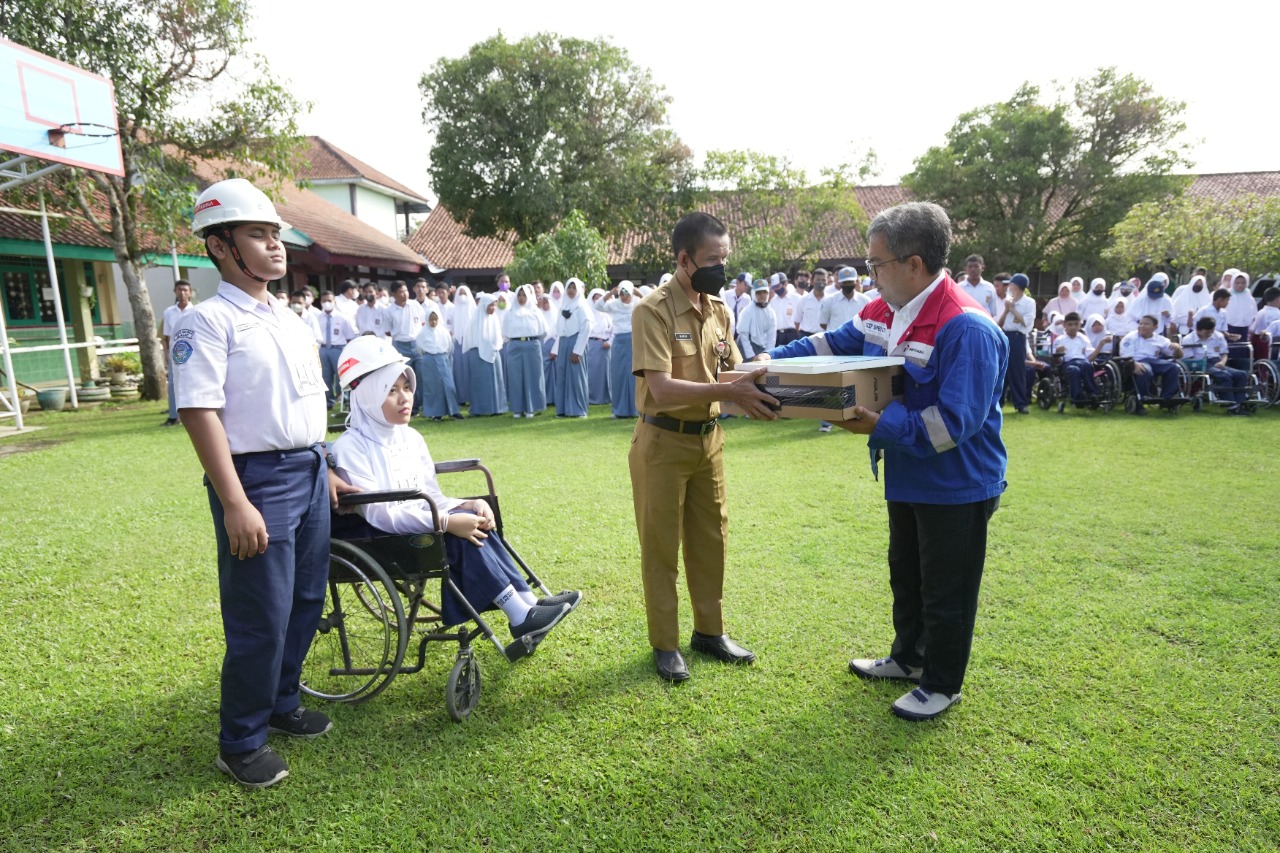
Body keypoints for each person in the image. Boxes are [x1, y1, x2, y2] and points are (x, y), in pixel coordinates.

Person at [761, 201, 1007, 721]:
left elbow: (953, 425)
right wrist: (765, 362)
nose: (870, 276)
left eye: (876, 264)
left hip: (956, 482)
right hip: (907, 473)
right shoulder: (884, 310)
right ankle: (909, 658)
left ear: (914, 264)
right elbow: (831, 345)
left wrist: (878, 425)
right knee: (907, 574)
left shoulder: (966, 327)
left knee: (947, 588)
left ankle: (941, 683)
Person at [173, 178, 357, 788]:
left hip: (308, 469)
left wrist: (324, 464)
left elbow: (302, 399)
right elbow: (200, 411)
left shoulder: (288, 317)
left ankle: (282, 702)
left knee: (305, 599)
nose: (275, 245)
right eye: (258, 234)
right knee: (261, 612)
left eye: (275, 234)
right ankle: (242, 741)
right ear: (220, 246)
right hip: (257, 481)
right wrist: (234, 501)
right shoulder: (207, 321)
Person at [329, 342, 579, 644]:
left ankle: (528, 603)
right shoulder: (350, 448)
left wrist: (466, 504)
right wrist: (446, 521)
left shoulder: (410, 438)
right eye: (391, 390)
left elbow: (430, 495)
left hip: (415, 523)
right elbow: (380, 513)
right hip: (380, 537)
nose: (404, 398)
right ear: (369, 396)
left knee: (474, 517)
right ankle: (519, 615)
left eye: (407, 387)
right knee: (458, 534)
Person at [629, 211, 779, 683]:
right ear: (684, 260)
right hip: (662, 442)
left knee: (711, 540)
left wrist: (766, 371)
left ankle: (709, 632)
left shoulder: (720, 310)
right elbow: (661, 389)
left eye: (725, 258)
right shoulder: (652, 310)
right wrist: (730, 390)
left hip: (708, 442)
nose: (722, 268)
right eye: (713, 260)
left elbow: (734, 370)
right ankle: (666, 644)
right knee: (661, 547)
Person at [1181, 316, 1249, 415]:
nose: (1210, 334)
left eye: (1211, 331)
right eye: (1207, 332)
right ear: (1198, 330)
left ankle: (1240, 402)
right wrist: (1203, 364)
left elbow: (1224, 353)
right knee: (1223, 375)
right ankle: (1230, 403)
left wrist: (1222, 362)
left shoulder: (1218, 336)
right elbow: (1189, 359)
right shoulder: (1188, 339)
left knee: (1241, 374)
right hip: (1200, 363)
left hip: (1217, 361)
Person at [1120, 315, 1184, 414]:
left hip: (1154, 361)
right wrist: (1134, 363)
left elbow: (1177, 356)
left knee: (1173, 367)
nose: (1142, 326)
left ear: (1155, 327)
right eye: (1140, 323)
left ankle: (1167, 398)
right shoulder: (1130, 337)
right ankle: (1141, 400)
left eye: (1146, 324)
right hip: (1136, 361)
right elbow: (1125, 356)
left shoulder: (1159, 339)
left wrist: (1177, 348)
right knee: (1145, 369)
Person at [501, 284, 548, 418]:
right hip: (514, 345)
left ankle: (531, 408)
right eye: (519, 295)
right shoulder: (510, 313)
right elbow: (505, 332)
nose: (521, 298)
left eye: (524, 295)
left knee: (533, 376)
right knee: (515, 377)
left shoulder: (535, 312)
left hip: (532, 345)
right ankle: (517, 409)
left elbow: (544, 331)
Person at [550, 278, 592, 418]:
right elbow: (559, 329)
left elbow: (586, 328)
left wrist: (577, 350)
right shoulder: (563, 306)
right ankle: (562, 410)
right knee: (562, 376)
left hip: (576, 342)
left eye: (574, 288)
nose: (571, 290)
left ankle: (578, 410)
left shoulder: (581, 306)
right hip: (563, 343)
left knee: (576, 376)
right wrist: (557, 348)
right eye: (569, 287)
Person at [414, 301, 463, 420]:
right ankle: (436, 413)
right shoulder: (422, 333)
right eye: (431, 319)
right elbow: (420, 349)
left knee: (448, 385)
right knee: (433, 387)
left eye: (435, 319)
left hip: (443, 359)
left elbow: (449, 347)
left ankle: (453, 411)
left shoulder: (443, 332)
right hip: (429, 361)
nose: (433, 322)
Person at [597, 281, 639, 418]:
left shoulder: (637, 303)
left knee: (633, 375)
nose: (624, 296)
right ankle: (619, 410)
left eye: (626, 292)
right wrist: (610, 293)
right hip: (619, 341)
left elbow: (652, 305)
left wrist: (639, 294)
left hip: (633, 340)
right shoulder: (614, 304)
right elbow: (598, 306)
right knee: (618, 374)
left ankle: (635, 409)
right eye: (621, 293)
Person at [385, 281, 427, 415]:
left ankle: (425, 405)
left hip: (417, 344)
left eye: (406, 291)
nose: (405, 294)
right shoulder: (389, 311)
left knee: (421, 375)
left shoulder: (415, 305)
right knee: (405, 378)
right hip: (400, 346)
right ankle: (412, 407)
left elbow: (423, 322)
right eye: (401, 292)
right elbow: (387, 331)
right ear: (394, 294)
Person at [997, 273, 1036, 414]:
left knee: (1017, 371)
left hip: (1018, 337)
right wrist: (1007, 309)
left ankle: (1020, 403)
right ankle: (998, 402)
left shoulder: (1028, 302)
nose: (1009, 287)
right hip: (1004, 335)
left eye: (1011, 284)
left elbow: (1025, 322)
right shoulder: (1007, 301)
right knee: (1001, 369)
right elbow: (1000, 323)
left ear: (1017, 286)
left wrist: (1012, 309)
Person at [464, 292, 507, 416]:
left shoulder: (494, 319)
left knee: (495, 381)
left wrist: (493, 347)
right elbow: (471, 339)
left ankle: (497, 408)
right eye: (490, 305)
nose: (493, 308)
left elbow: (498, 338)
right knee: (480, 382)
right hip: (478, 355)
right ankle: (480, 409)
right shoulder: (474, 321)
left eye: (494, 305)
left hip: (494, 354)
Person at [161, 278, 195, 426]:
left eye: (185, 290)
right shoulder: (169, 312)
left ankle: (193, 416)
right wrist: (166, 353)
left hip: (193, 353)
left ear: (190, 292)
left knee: (193, 383)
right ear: (175, 291)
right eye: (179, 290)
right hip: (175, 354)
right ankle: (173, 416)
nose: (182, 293)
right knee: (173, 385)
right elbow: (166, 336)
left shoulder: (196, 311)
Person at [1054, 312, 1110, 402]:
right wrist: (1058, 351)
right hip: (1067, 364)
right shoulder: (1060, 340)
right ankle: (1077, 396)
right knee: (1074, 370)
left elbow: (1090, 358)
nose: (1073, 327)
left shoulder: (1083, 338)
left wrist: (1101, 344)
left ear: (1080, 325)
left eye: (1076, 324)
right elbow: (1057, 360)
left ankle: (1092, 393)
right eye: (1070, 324)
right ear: (1064, 325)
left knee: (1087, 365)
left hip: (1082, 362)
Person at [315, 291, 358, 409]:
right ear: (320, 302)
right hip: (323, 349)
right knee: (325, 377)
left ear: (334, 301)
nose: (326, 303)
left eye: (329, 300)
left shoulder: (343, 318)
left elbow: (349, 337)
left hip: (338, 349)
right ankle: (329, 401)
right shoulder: (317, 318)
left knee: (342, 376)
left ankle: (344, 399)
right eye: (324, 300)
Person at [735, 278, 777, 360]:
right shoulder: (747, 311)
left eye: (764, 292)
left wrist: (768, 354)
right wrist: (751, 355)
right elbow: (743, 335)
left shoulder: (771, 312)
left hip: (761, 347)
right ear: (754, 294)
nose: (762, 295)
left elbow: (771, 337)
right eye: (759, 292)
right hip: (745, 346)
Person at [586, 288, 613, 406]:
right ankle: (592, 397)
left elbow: (614, 329)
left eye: (600, 298)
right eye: (595, 298)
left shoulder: (608, 313)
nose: (597, 300)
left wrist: (610, 342)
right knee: (592, 372)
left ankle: (605, 397)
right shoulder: (588, 312)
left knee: (605, 373)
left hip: (605, 346)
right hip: (592, 343)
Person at [1128, 273, 1176, 337]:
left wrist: (1168, 315)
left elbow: (1171, 320)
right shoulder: (1139, 300)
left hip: (1159, 334)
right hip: (1140, 334)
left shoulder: (1166, 300)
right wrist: (1140, 328)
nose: (1154, 298)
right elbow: (1130, 318)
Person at [451, 285, 475, 406]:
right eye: (460, 293)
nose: (462, 296)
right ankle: (461, 398)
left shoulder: (474, 310)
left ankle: (473, 397)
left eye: (464, 293)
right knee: (459, 371)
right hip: (457, 343)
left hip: (471, 343)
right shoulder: (453, 310)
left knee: (471, 370)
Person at [536, 291, 558, 408]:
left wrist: (555, 349)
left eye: (546, 302)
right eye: (543, 303)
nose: (544, 305)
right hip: (541, 346)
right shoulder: (538, 315)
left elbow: (559, 333)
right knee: (543, 373)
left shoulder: (556, 315)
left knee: (556, 374)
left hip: (553, 347)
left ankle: (555, 398)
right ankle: (545, 398)